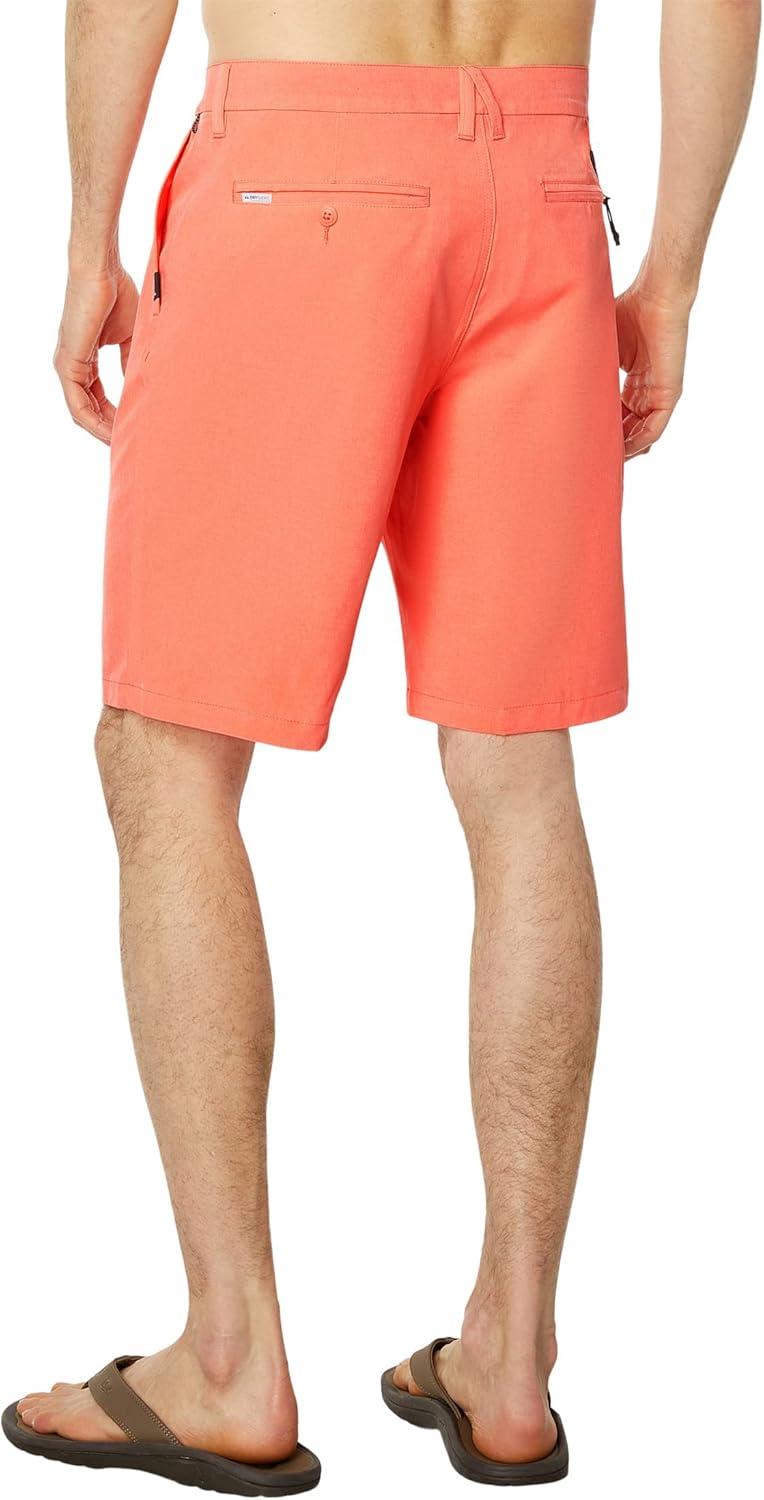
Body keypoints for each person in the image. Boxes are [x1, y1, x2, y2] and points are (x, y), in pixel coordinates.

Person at [3, 0, 760, 1493]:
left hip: (301, 179)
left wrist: (89, 232)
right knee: (519, 769)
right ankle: (513, 1360)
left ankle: (231, 1359)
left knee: (166, 749)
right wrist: (672, 270)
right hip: (541, 186)